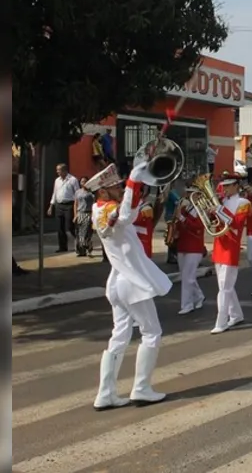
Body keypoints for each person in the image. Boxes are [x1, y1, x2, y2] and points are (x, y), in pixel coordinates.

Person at [88, 163, 171, 410]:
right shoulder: (108, 210)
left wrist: (136, 185)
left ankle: (106, 393)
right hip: (130, 282)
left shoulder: (99, 209)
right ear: (102, 191)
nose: (118, 188)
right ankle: (142, 388)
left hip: (117, 281)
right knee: (151, 332)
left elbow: (129, 214)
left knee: (120, 335)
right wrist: (134, 181)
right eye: (113, 186)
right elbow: (125, 216)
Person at [210, 174, 252, 334]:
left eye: (227, 186)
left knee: (225, 288)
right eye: (223, 186)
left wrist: (219, 210)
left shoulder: (243, 203)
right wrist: (210, 212)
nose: (224, 189)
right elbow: (215, 222)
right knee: (224, 285)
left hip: (231, 247)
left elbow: (236, 223)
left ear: (236, 186)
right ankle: (236, 314)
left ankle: (221, 322)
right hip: (219, 245)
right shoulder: (223, 202)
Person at [173, 189, 206, 315]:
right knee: (187, 277)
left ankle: (187, 305)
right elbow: (179, 223)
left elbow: (197, 226)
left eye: (192, 193)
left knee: (188, 277)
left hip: (195, 246)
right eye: (187, 193)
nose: (188, 195)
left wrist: (181, 217)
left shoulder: (201, 210)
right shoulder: (183, 208)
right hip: (182, 245)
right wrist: (174, 231)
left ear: (198, 195)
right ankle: (199, 296)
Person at [48, 163, 80, 252]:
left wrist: (77, 207)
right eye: (57, 170)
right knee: (60, 227)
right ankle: (62, 247)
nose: (57, 172)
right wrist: (51, 206)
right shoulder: (57, 180)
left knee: (70, 225)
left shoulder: (73, 180)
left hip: (69, 205)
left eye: (59, 170)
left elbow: (77, 194)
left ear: (65, 170)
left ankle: (80, 240)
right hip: (59, 205)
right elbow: (55, 193)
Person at [74, 178, 95, 257]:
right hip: (80, 213)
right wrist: (75, 215)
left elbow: (94, 204)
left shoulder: (91, 192)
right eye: (82, 181)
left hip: (88, 213)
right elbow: (75, 204)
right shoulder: (77, 192)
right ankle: (81, 251)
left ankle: (88, 248)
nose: (83, 183)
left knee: (86, 233)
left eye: (85, 181)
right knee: (78, 233)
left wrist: (93, 215)